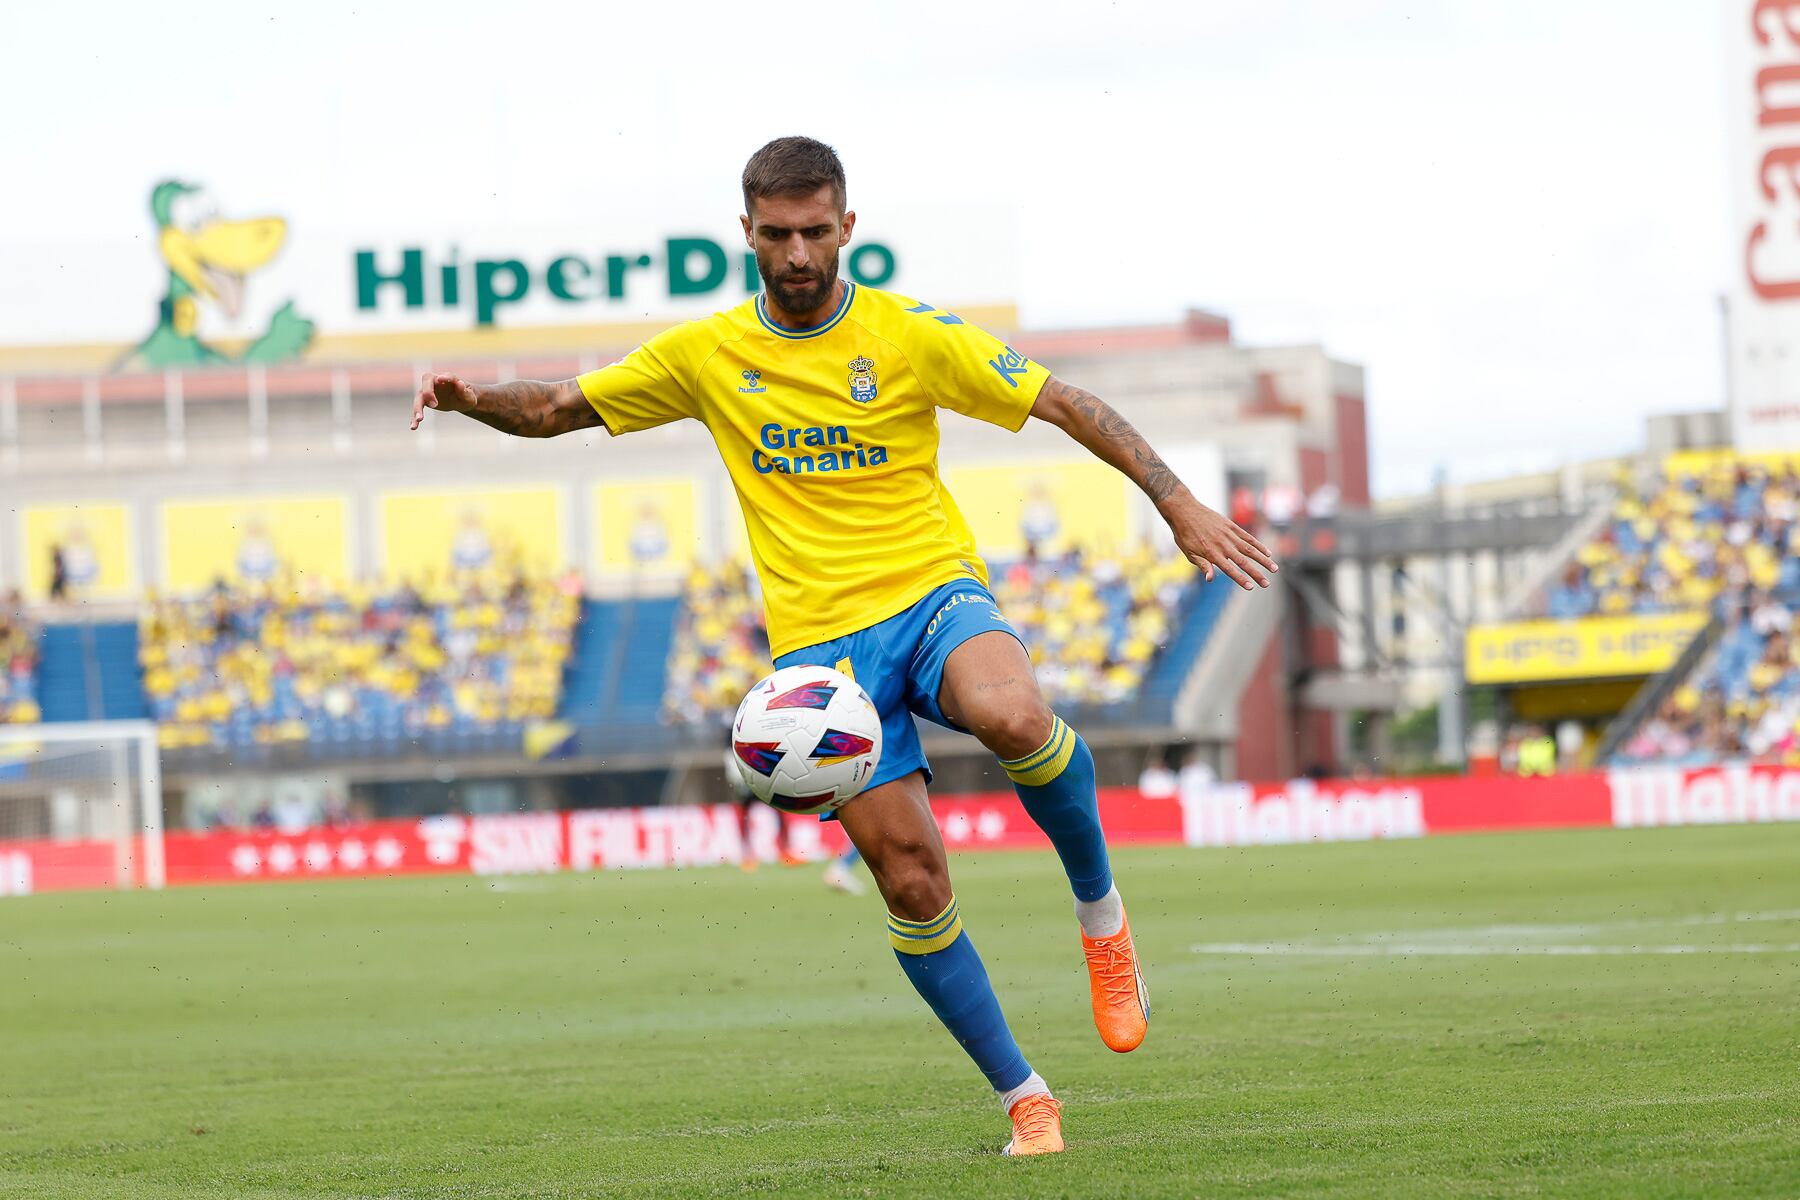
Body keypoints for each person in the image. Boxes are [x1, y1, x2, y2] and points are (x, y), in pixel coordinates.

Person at [411, 136, 1277, 1156]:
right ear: (746, 234)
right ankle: (1025, 1096)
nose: (796, 253)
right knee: (911, 878)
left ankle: (1101, 915)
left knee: (1012, 714)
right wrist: (476, 403)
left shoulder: (909, 335)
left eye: (815, 232)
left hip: (930, 593)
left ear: (847, 228)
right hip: (823, 662)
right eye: (776, 234)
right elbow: (559, 409)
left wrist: (1175, 502)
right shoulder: (710, 354)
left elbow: (1066, 402)